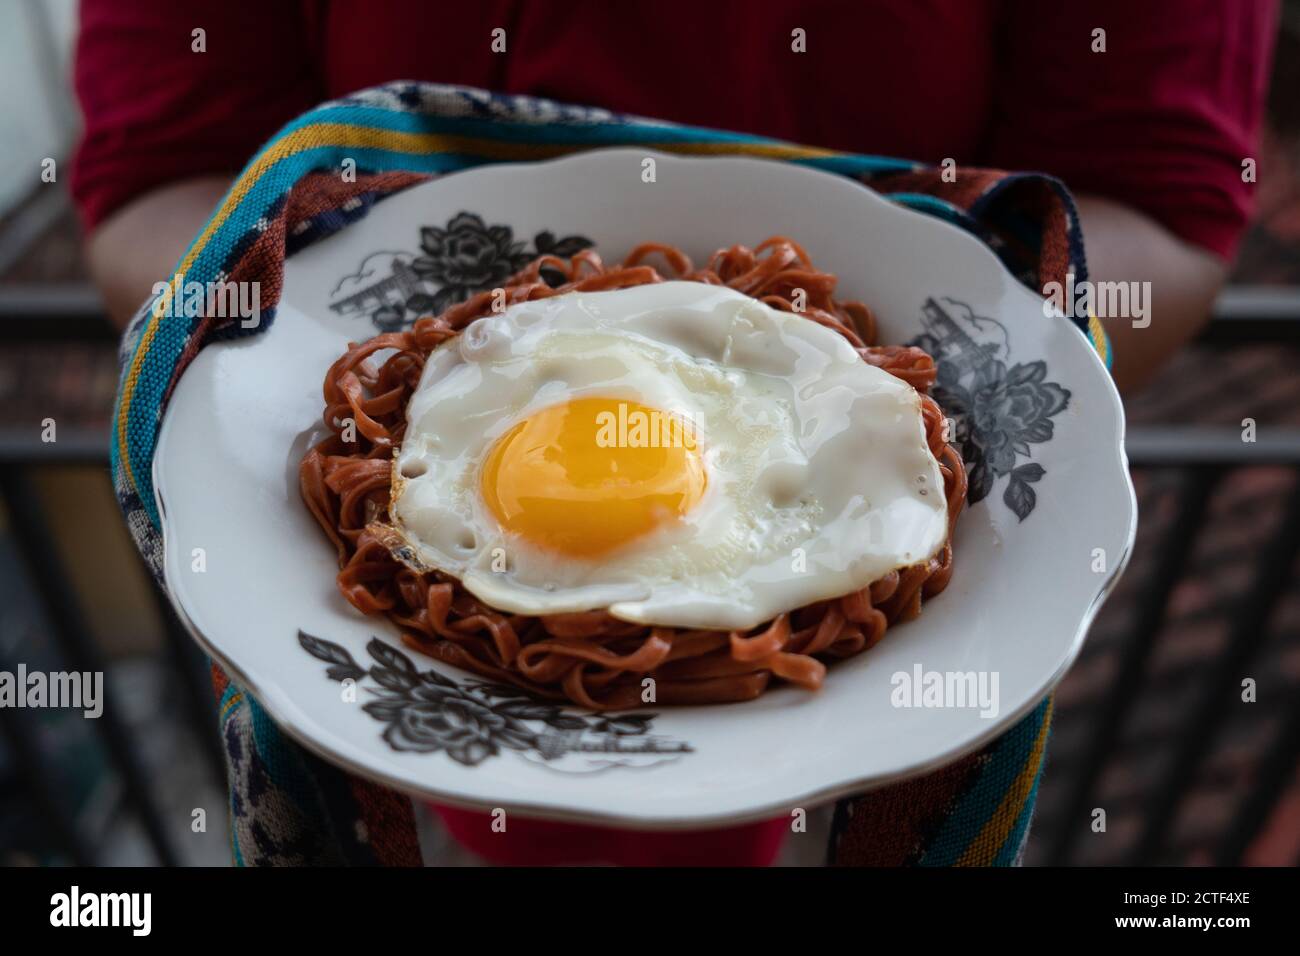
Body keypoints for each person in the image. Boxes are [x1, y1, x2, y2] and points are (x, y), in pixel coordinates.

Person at [71, 0, 1277, 864]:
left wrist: (979, 335)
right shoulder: (431, 457)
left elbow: (1159, 202)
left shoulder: (839, 469)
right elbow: (159, 179)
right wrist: (285, 345)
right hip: (364, 720)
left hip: (893, 746)